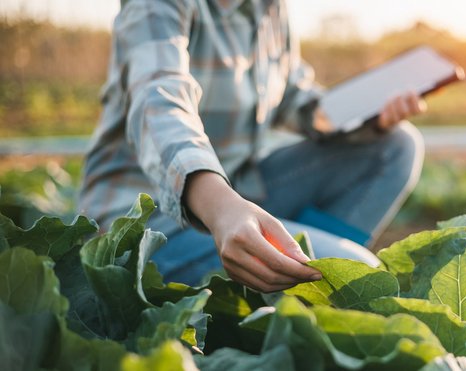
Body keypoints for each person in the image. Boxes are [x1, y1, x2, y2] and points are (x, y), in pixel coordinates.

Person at [78, 0, 425, 292]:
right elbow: (159, 102)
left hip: (239, 194)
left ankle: (288, 282)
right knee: (354, 270)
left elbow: (296, 101)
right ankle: (292, 286)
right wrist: (221, 208)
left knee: (395, 146)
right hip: (147, 221)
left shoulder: (269, 9)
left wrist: (369, 114)